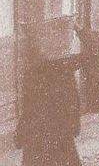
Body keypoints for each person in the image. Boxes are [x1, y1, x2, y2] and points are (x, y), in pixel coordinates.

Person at [16, 21, 91, 166]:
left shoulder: (32, 71)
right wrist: (78, 29)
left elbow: (27, 108)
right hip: (60, 133)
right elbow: (94, 51)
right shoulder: (63, 65)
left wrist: (21, 132)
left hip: (37, 137)